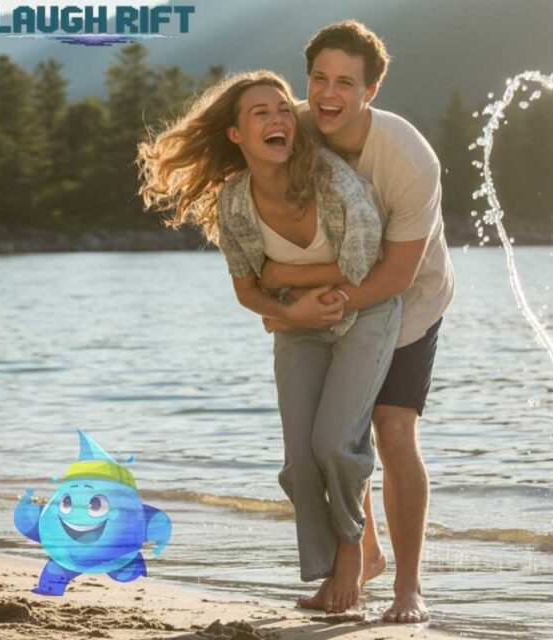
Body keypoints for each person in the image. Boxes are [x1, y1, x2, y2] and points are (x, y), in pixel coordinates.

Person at [136, 70, 401, 614]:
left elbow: (362, 266)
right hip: (298, 325)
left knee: (335, 444)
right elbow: (246, 290)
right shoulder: (236, 202)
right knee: (300, 462)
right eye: (261, 113)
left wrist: (281, 277)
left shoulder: (332, 181)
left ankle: (352, 556)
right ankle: (332, 566)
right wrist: (290, 309)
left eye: (283, 109)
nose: (279, 119)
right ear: (236, 134)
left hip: (365, 313)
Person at [257, 20, 454, 623]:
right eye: (319, 78)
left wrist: (312, 303)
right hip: (322, 295)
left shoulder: (408, 159)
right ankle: (362, 556)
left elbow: (397, 274)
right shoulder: (292, 131)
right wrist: (282, 302)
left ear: (371, 90)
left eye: (345, 82)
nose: (328, 93)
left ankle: (408, 587)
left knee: (392, 431)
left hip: (409, 300)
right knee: (334, 437)